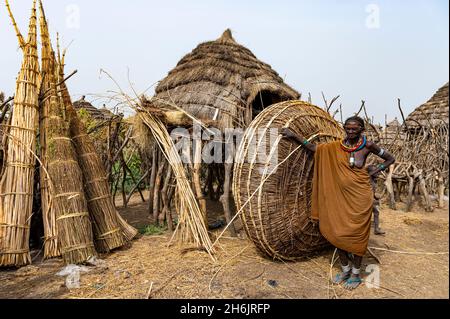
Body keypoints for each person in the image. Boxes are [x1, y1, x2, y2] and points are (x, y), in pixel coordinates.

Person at [281, 116, 395, 290]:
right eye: (347, 128)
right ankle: (345, 270)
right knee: (337, 232)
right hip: (338, 198)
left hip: (360, 198)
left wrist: (375, 170)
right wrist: (294, 136)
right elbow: (314, 149)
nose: (350, 131)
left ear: (361, 130)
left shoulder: (368, 146)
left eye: (354, 129)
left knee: (357, 236)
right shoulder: (335, 147)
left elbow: (390, 158)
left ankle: (356, 274)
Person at [367, 164, 385, 235]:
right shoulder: (368, 180)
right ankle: (376, 229)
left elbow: (372, 192)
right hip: (366, 201)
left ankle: (376, 229)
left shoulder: (373, 180)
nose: (378, 173)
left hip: (370, 200)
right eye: (376, 172)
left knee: (376, 212)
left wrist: (376, 197)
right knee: (375, 212)